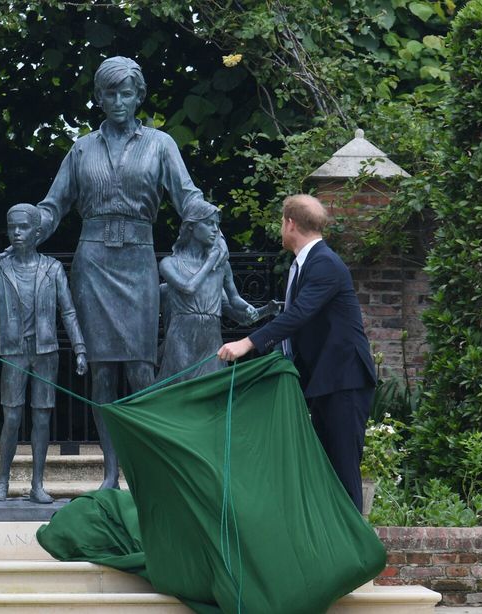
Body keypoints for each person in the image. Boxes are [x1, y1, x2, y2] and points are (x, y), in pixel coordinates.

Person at [33, 56, 221, 489]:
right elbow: (54, 205)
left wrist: (211, 226)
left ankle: (146, 464)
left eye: (127, 93)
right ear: (99, 98)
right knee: (102, 371)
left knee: (140, 368)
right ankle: (110, 471)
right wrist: (29, 232)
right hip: (94, 262)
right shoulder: (81, 148)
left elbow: (186, 196)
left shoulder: (160, 144)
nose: (119, 101)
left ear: (139, 96)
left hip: (138, 260)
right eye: (110, 93)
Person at [218, 194, 376, 512]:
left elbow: (299, 314)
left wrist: (247, 343)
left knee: (343, 474)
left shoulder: (324, 263)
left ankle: (358, 555)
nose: (281, 227)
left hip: (344, 382)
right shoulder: (305, 263)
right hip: (325, 383)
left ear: (290, 223)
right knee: (325, 474)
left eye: (281, 221)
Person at [0, 203, 88, 504]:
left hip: (46, 352)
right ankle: (3, 481)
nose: (17, 233)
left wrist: (79, 348)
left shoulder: (52, 269)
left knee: (41, 419)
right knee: (11, 418)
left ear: (38, 233)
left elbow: (69, 311)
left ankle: (38, 484)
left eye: (23, 228)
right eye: (13, 227)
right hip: (13, 353)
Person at [157, 201, 258, 384]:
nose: (215, 230)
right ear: (191, 227)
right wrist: (210, 261)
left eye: (217, 225)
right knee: (181, 390)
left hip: (211, 337)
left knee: (213, 390)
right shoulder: (169, 264)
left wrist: (251, 308)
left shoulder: (222, 266)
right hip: (182, 336)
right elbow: (188, 288)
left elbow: (234, 299)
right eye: (209, 223)